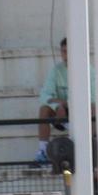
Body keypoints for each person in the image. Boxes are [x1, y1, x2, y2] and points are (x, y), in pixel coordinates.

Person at [32, 38, 68, 166]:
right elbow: (44, 96)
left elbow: (91, 99)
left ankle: (89, 149)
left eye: (69, 52)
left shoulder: (88, 71)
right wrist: (58, 105)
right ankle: (43, 152)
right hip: (61, 115)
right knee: (44, 109)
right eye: (64, 52)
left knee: (93, 108)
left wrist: (63, 104)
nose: (66, 55)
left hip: (82, 115)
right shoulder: (56, 70)